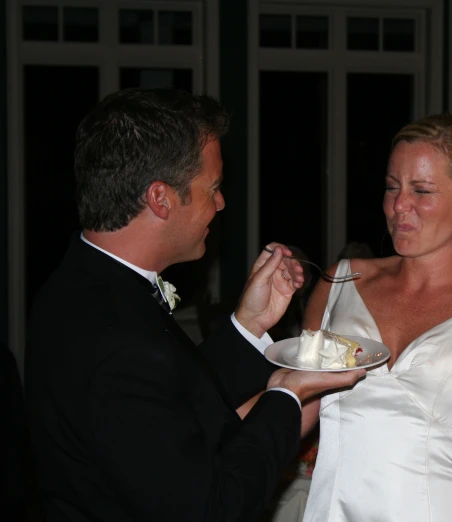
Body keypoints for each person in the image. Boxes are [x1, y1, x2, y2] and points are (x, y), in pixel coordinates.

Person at [24, 88, 364, 522]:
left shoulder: (86, 284)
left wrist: (249, 323)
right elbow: (211, 507)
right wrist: (288, 395)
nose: (221, 203)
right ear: (160, 198)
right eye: (214, 187)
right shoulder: (113, 339)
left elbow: (170, 406)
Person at [300, 114, 452, 521]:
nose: (399, 206)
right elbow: (286, 414)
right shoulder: (338, 285)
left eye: (421, 190)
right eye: (392, 187)